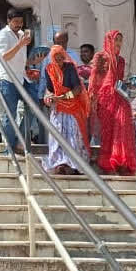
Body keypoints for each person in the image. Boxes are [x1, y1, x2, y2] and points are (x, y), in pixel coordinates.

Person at [90, 30, 136, 175]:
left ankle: (122, 160)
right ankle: (108, 162)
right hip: (104, 99)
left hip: (119, 97)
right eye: (116, 40)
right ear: (109, 40)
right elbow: (94, 77)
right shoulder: (101, 56)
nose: (118, 43)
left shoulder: (121, 60)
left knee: (123, 125)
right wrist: (92, 97)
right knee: (108, 131)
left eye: (120, 40)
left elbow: (120, 80)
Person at [42, 44, 90, 174]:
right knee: (57, 135)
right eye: (55, 57)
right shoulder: (49, 69)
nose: (58, 60)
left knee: (72, 136)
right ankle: (60, 163)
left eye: (60, 57)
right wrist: (49, 97)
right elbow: (49, 89)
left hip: (71, 107)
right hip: (57, 108)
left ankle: (74, 165)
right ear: (52, 58)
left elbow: (77, 89)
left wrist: (62, 97)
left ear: (64, 56)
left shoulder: (70, 68)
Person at [0, 8, 34, 155]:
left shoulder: (22, 35)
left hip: (22, 78)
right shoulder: (2, 36)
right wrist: (20, 45)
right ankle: (9, 148)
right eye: (16, 22)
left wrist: (33, 62)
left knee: (35, 104)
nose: (19, 25)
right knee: (10, 114)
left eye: (21, 22)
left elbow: (20, 59)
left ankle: (19, 140)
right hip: (7, 80)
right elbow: (4, 57)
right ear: (8, 21)